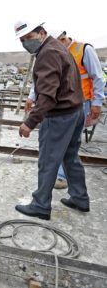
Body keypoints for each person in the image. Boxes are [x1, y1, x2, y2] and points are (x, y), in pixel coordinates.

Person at [13, 20, 89, 220]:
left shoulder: (47, 53)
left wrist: (30, 122)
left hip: (60, 116)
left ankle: (40, 205)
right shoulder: (58, 47)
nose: (25, 42)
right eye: (21, 40)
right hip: (75, 110)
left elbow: (47, 95)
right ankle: (80, 198)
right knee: (70, 157)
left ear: (41, 33)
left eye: (28, 37)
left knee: (48, 160)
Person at [25, 30, 106, 189]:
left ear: (62, 38)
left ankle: (60, 179)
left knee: (63, 145)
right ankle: (77, 194)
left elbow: (98, 77)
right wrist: (32, 96)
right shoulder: (49, 52)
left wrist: (97, 102)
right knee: (68, 147)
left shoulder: (83, 50)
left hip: (79, 103)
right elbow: (41, 80)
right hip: (60, 104)